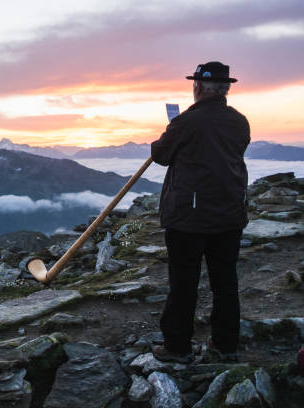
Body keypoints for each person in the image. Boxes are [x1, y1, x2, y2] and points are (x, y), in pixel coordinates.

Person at [150, 61, 250, 363]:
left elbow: (161, 155)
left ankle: (177, 346)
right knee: (225, 281)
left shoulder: (188, 122)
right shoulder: (240, 121)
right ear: (225, 89)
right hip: (230, 213)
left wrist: (172, 128)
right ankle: (226, 344)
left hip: (189, 218)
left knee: (183, 282)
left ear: (198, 87)